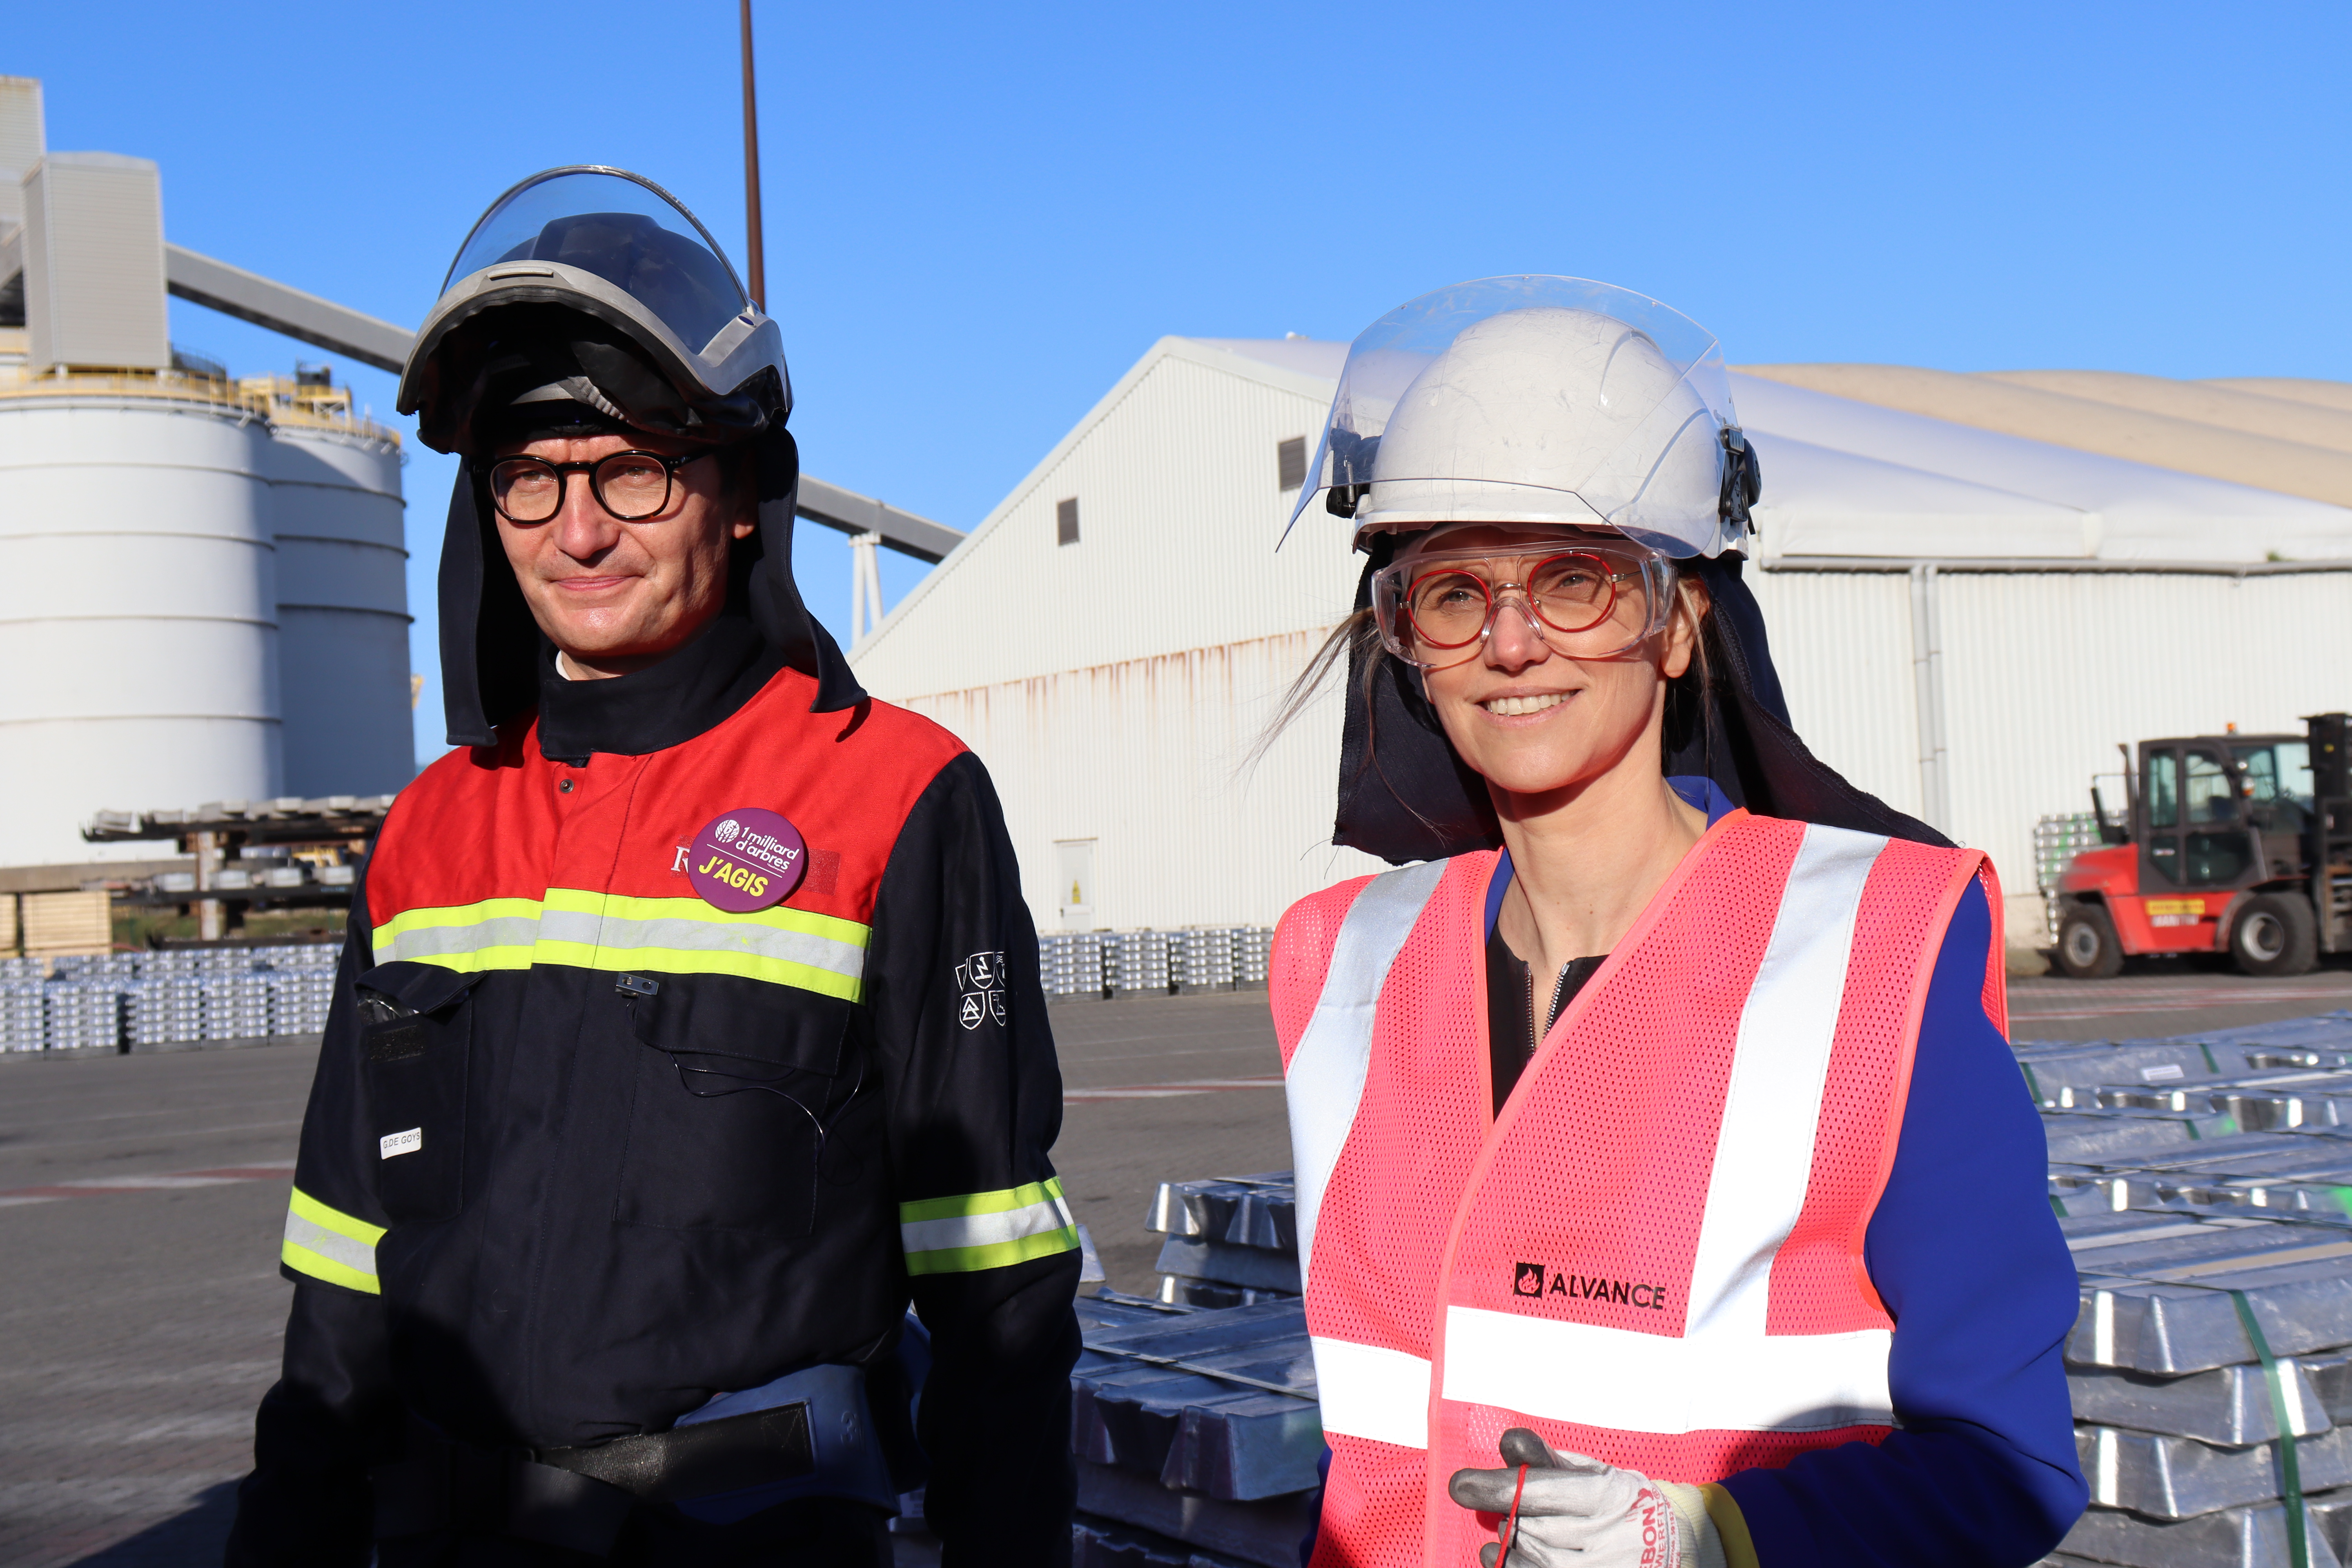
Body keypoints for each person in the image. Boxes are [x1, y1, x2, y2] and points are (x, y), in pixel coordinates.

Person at [225, 167, 1080, 1567]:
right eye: (531, 478)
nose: (578, 531)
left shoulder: (895, 795)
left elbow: (998, 1281)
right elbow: (340, 1261)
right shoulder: (429, 830)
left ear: (739, 493)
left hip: (751, 1541)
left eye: (632, 469)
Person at [1268, 279, 2086, 1568]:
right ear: (1406, 639)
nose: (1513, 642)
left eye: (1575, 582)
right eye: (1454, 593)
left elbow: (2013, 1463)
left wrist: (1715, 1539)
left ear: (1677, 622)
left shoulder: (1879, 950)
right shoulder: (1338, 963)